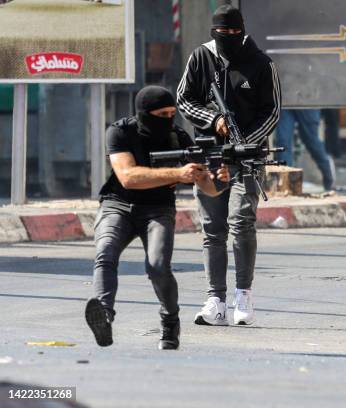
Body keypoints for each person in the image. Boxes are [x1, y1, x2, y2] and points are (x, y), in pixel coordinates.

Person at [85, 85, 229, 350]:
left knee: (158, 266)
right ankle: (103, 314)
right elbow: (128, 177)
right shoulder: (120, 132)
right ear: (144, 113)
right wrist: (177, 174)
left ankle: (170, 321)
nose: (168, 119)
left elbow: (206, 185)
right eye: (162, 114)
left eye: (172, 113)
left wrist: (219, 181)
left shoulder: (178, 137)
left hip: (158, 209)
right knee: (105, 253)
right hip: (118, 205)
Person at [176, 5, 280, 326]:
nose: (230, 38)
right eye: (225, 34)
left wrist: (245, 143)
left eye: (236, 33)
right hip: (209, 157)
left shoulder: (262, 64)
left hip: (247, 159)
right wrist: (214, 119)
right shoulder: (200, 58)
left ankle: (243, 295)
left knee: (242, 222)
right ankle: (215, 300)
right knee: (212, 228)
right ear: (214, 33)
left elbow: (273, 111)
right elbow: (184, 99)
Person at [276, 109, 335, 191]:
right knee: (283, 142)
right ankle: (284, 185)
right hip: (285, 102)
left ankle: (329, 178)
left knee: (312, 141)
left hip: (307, 101)